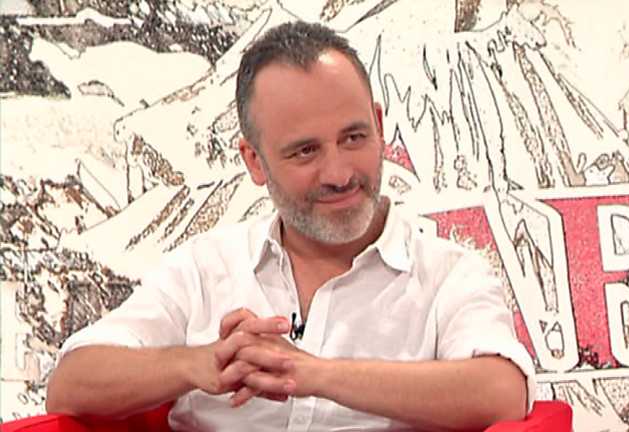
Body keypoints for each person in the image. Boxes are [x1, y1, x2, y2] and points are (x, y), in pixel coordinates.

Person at [46, 21, 536, 431]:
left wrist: (311, 373)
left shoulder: (449, 275)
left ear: (380, 125)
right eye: (305, 151)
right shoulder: (203, 269)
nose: (339, 173)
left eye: (354, 137)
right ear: (254, 162)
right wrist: (197, 363)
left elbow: (501, 393)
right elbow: (72, 384)